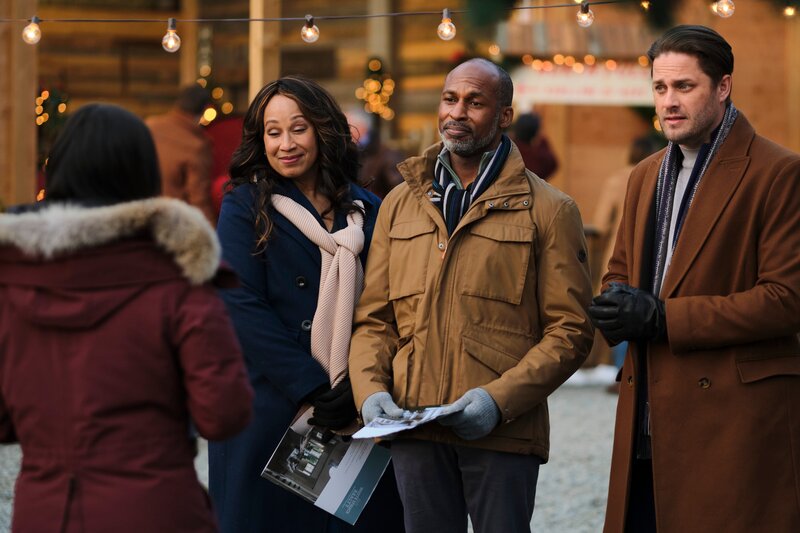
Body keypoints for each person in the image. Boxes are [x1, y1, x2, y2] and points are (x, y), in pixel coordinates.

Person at [348, 58, 594, 533]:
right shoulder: (402, 202)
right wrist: (370, 391)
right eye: (450, 99)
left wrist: (497, 402)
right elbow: (375, 318)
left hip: (502, 433)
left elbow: (571, 330)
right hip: (413, 426)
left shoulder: (550, 209)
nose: (457, 112)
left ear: (504, 115)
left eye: (475, 102)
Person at [0, 104, 253, 532]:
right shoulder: (179, 277)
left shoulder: (11, 283)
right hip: (155, 508)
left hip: (46, 512)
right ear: (142, 174)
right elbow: (223, 413)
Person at [588, 25, 800, 532]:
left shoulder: (778, 172)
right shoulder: (644, 174)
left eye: (685, 87)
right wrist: (614, 303)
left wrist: (664, 318)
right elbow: (620, 271)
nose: (669, 102)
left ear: (722, 87)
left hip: (733, 423)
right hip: (646, 414)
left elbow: (785, 300)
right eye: (660, 89)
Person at [208, 76, 404, 533]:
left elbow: (386, 307)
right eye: (273, 132)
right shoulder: (244, 205)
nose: (285, 144)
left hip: (357, 402)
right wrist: (313, 387)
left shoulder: (370, 210)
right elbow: (239, 303)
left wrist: (360, 385)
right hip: (273, 403)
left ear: (323, 129)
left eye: (298, 128)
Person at [147, 84, 217, 224]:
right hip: (172, 224)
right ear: (205, 110)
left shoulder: (149, 126)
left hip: (140, 217)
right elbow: (198, 199)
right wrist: (213, 235)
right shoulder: (196, 145)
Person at [345, 106, 405, 198]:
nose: (342, 130)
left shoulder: (388, 155)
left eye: (347, 126)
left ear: (361, 126)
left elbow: (399, 194)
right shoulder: (346, 151)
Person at [511, 112, 559, 181]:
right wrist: (543, 141)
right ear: (535, 132)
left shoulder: (508, 151)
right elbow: (552, 164)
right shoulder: (539, 157)